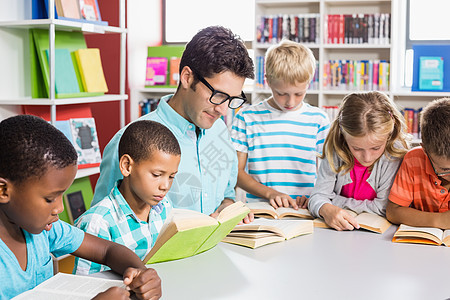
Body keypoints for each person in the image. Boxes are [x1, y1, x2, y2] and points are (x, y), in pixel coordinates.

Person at [93, 26, 254, 223]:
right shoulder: (128, 140)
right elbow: (99, 226)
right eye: (218, 95)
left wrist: (227, 208)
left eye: (232, 100)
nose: (223, 110)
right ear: (187, 77)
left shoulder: (220, 131)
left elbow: (226, 195)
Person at [0, 115, 161, 300]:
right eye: (49, 198)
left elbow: (107, 251)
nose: (59, 208)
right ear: (3, 190)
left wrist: (141, 274)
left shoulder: (46, 229)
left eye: (62, 195)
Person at [231, 40, 330, 209]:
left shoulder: (318, 120)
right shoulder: (247, 118)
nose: (290, 102)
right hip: (262, 209)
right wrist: (270, 193)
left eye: (299, 93)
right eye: (281, 93)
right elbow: (236, 173)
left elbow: (328, 173)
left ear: (309, 82)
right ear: (268, 81)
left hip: (304, 209)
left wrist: (315, 196)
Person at [74, 120, 180, 275]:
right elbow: (87, 288)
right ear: (126, 166)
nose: (165, 186)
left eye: (171, 177)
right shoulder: (98, 223)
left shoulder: (166, 207)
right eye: (157, 175)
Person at [308, 91, 409, 231]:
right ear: (343, 135)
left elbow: (383, 208)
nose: (367, 158)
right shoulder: (336, 148)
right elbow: (317, 197)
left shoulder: (394, 154)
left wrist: (333, 201)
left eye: (375, 148)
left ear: (389, 134)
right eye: (357, 148)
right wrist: (325, 209)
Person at [386, 98, 450, 228]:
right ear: (425, 150)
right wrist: (438, 221)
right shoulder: (413, 160)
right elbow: (393, 212)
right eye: (444, 169)